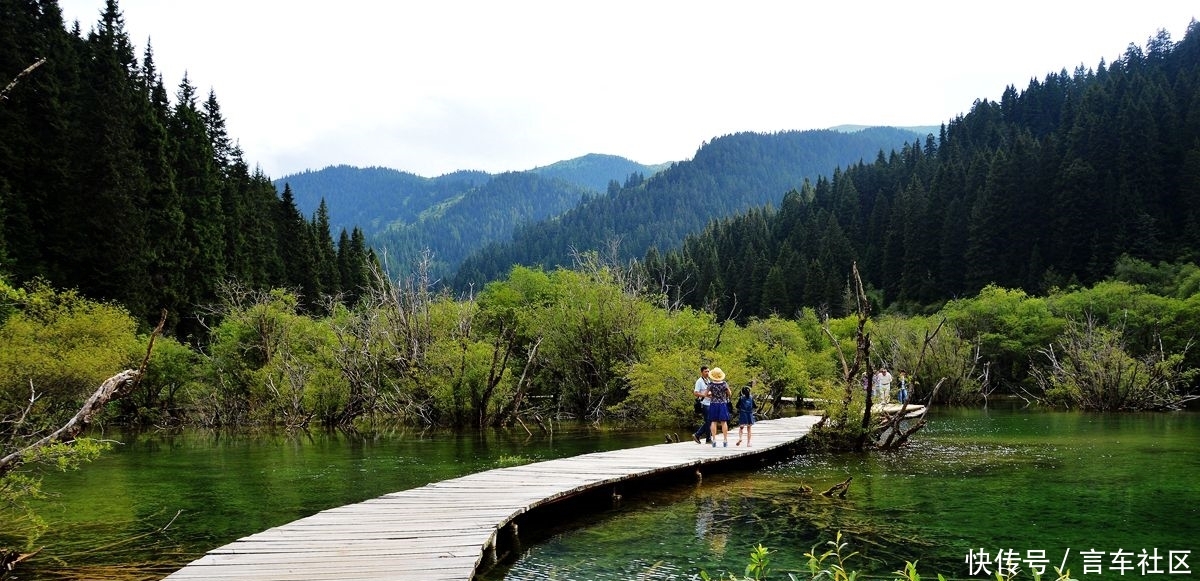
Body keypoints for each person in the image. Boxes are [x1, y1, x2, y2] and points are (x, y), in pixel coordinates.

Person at [706, 367, 732, 448]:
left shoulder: (711, 384)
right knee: (723, 422)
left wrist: (711, 395)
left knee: (713, 422)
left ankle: (714, 439)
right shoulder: (724, 384)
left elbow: (706, 394)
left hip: (714, 403)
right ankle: (725, 440)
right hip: (722, 404)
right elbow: (729, 393)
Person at [691, 366, 712, 444]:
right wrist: (705, 395)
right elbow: (695, 393)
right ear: (702, 372)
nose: (707, 373)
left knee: (709, 421)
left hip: (709, 403)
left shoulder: (708, 380)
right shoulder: (699, 381)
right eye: (706, 371)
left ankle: (698, 435)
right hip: (704, 403)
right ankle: (707, 438)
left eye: (708, 371)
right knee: (708, 421)